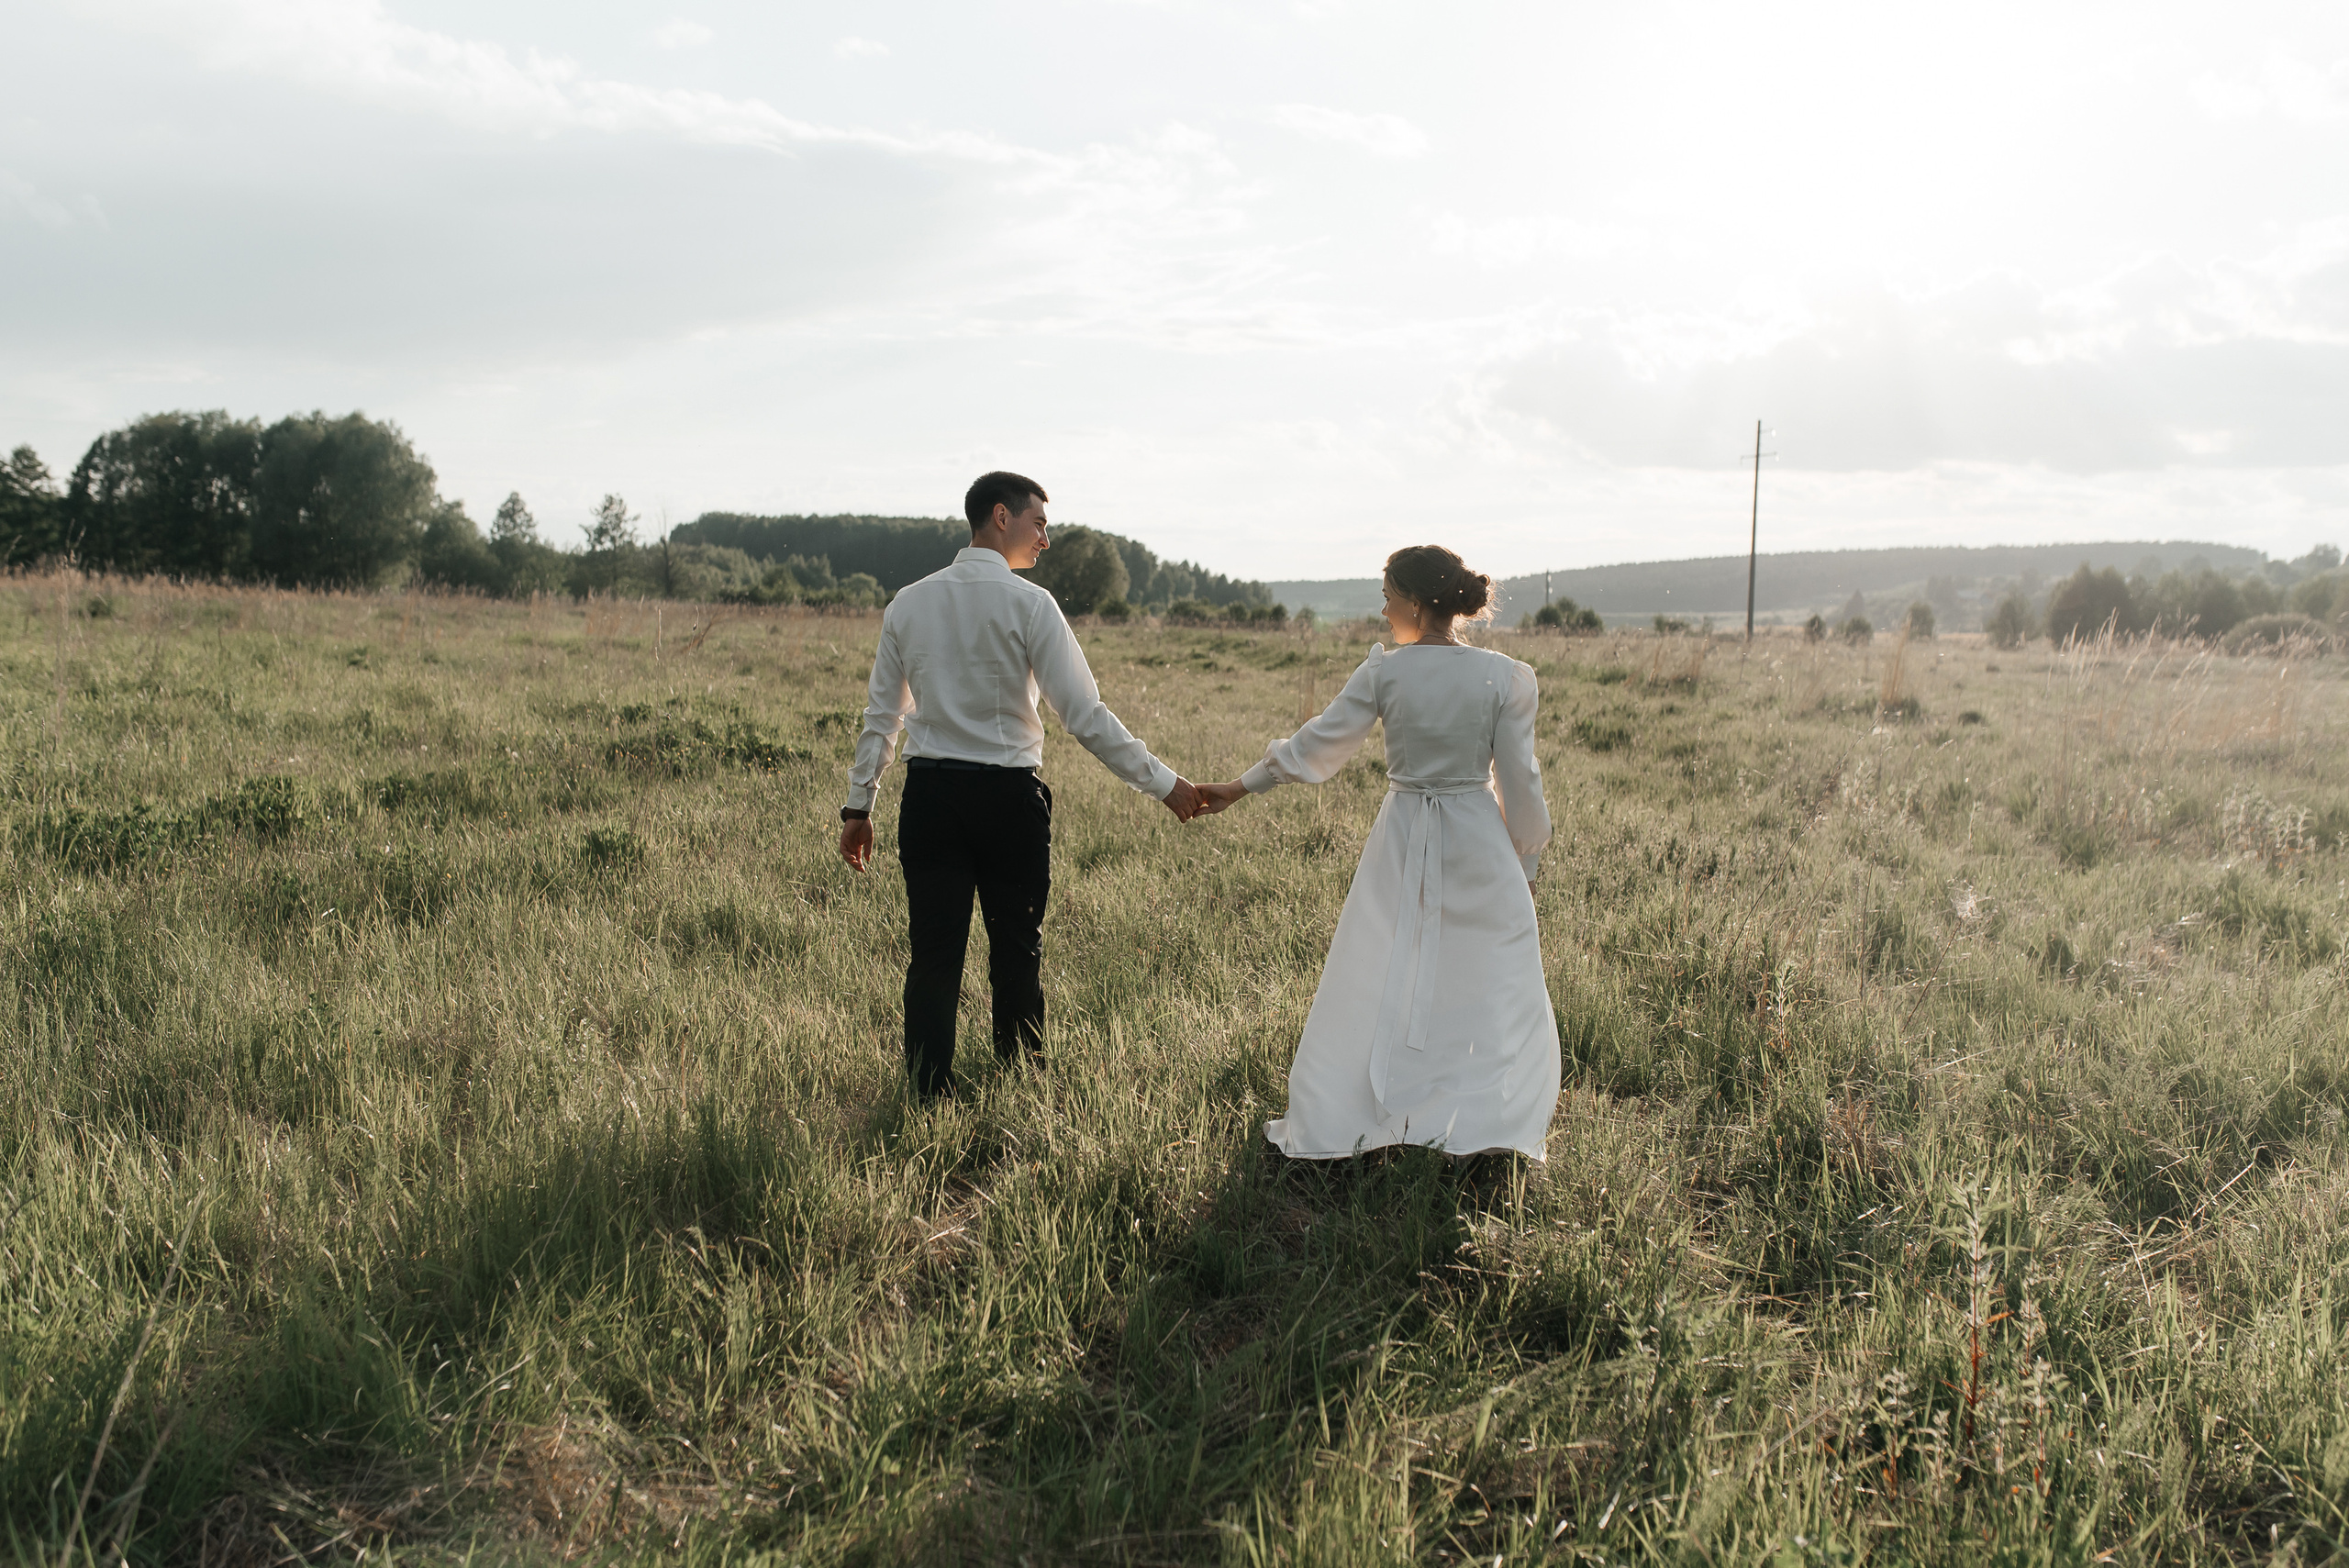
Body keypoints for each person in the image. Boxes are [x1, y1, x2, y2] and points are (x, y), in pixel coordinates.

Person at [840, 472, 1203, 1101]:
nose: (1047, 538)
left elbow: (883, 718)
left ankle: (930, 1091)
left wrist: (859, 805)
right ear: (1001, 516)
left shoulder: (909, 602)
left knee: (933, 953)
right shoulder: (1032, 605)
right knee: (1017, 947)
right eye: (1039, 523)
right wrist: (1165, 785)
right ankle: (1020, 1082)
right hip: (1008, 801)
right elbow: (1084, 715)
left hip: (930, 799)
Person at [1194, 545, 1559, 1160]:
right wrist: (1523, 860)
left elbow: (1318, 743)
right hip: (1479, 839)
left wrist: (1240, 785)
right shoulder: (1505, 676)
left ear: (1416, 601)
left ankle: (1382, 1108)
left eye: (1387, 592)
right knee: (1486, 973)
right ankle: (1479, 1115)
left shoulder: (1386, 671)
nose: (1382, 604)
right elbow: (1522, 782)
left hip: (1403, 834)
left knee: (1384, 967)